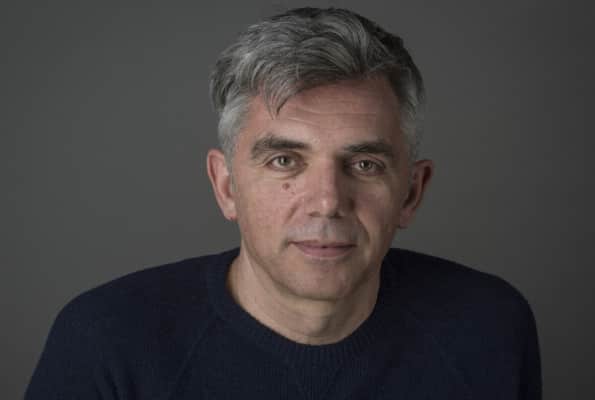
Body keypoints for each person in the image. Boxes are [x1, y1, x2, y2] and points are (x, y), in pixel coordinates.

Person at [25, 7, 541, 399]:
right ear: (227, 186)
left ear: (411, 192)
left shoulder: (488, 327)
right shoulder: (107, 343)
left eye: (364, 164)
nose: (327, 202)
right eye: (284, 161)